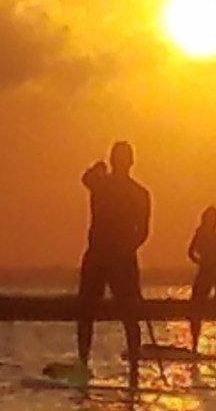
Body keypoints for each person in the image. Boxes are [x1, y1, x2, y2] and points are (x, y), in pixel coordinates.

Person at [77, 141, 151, 387]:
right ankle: (90, 364)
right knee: (90, 311)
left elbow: (142, 232)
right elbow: (143, 233)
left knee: (124, 314)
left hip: (114, 257)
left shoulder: (129, 191)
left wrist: (126, 248)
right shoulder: (118, 188)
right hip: (104, 255)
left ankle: (130, 369)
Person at [187, 206, 216, 357]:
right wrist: (200, 261)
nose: (214, 224)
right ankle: (194, 346)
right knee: (196, 305)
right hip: (207, 270)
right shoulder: (200, 233)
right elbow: (190, 252)